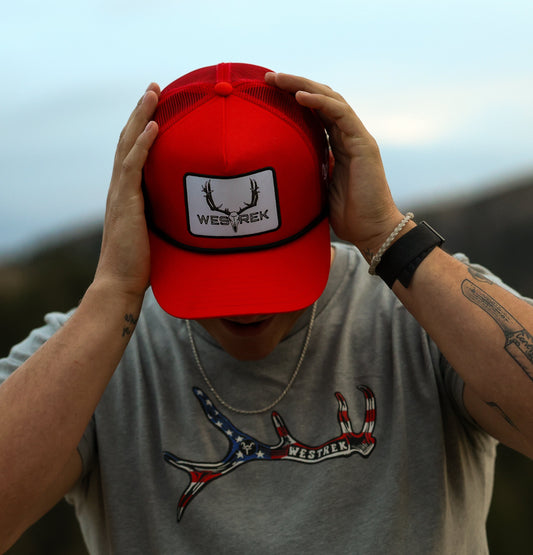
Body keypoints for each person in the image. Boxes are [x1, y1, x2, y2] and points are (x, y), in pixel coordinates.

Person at [1, 62, 532, 554]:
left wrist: (387, 236)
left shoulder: (421, 315)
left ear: (326, 198)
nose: (245, 306)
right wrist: (113, 291)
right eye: (211, 275)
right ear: (148, 222)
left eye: (270, 268)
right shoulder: (94, 356)